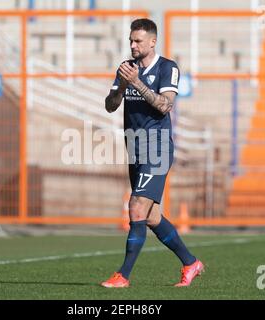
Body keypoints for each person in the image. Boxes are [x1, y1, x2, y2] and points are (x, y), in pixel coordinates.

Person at [101, 18, 204, 288]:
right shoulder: (126, 69)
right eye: (131, 40)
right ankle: (191, 262)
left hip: (156, 148)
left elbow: (164, 106)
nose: (133, 45)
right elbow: (110, 106)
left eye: (137, 41)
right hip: (134, 148)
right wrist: (123, 86)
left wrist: (137, 84)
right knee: (151, 216)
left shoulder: (167, 68)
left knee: (135, 207)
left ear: (152, 41)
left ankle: (122, 275)